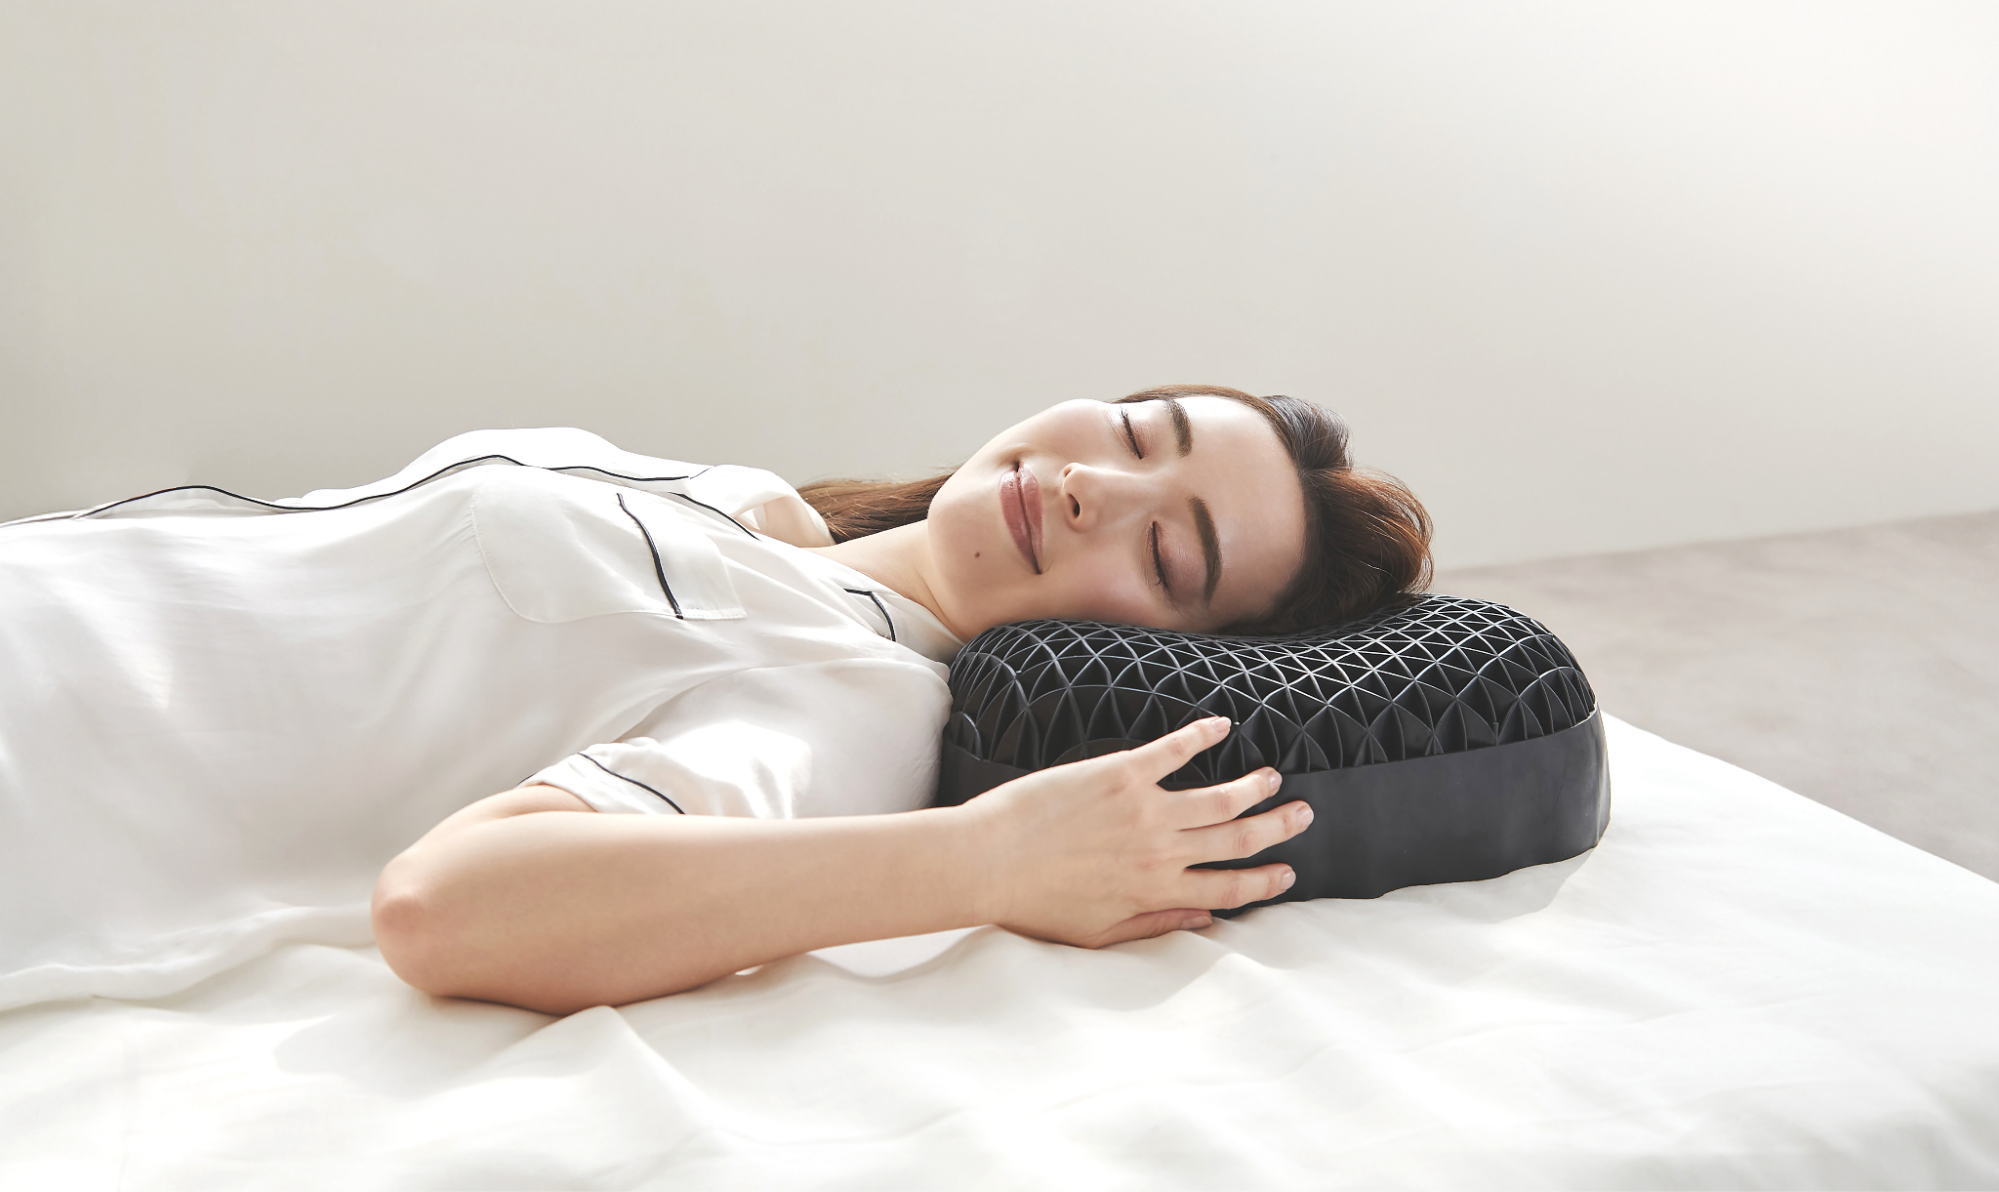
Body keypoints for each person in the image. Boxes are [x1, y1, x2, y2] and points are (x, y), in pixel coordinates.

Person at [0, 384, 1429, 1016]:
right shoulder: (733, 503)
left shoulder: (852, 702)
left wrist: (988, 861)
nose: (1089, 486)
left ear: (1172, 656)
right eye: (1130, 433)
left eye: (1166, 552)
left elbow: (450, 908)